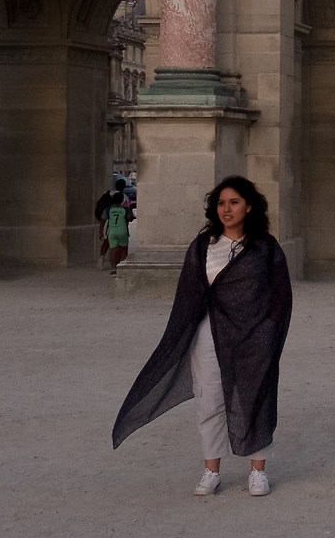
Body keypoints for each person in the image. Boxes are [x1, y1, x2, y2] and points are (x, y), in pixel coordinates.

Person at [113, 175, 292, 499]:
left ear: (249, 206)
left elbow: (281, 297)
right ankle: (211, 470)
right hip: (208, 333)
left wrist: (267, 333)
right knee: (209, 400)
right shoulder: (202, 246)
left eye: (234, 202)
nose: (227, 209)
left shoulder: (266, 248)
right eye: (221, 203)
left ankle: (257, 471)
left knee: (256, 398)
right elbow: (188, 296)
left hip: (253, 337)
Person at [95, 182, 124, 270]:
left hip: (107, 223)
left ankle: (101, 257)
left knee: (106, 242)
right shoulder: (123, 197)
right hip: (117, 225)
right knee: (117, 245)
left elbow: (103, 219)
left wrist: (100, 231)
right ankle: (116, 264)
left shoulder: (107, 192)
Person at [105, 187, 132, 275]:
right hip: (123, 231)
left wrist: (101, 231)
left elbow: (103, 220)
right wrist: (130, 209)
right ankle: (122, 267)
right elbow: (130, 218)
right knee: (124, 249)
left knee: (113, 250)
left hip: (112, 231)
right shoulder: (125, 209)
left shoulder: (108, 209)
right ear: (122, 200)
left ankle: (114, 268)